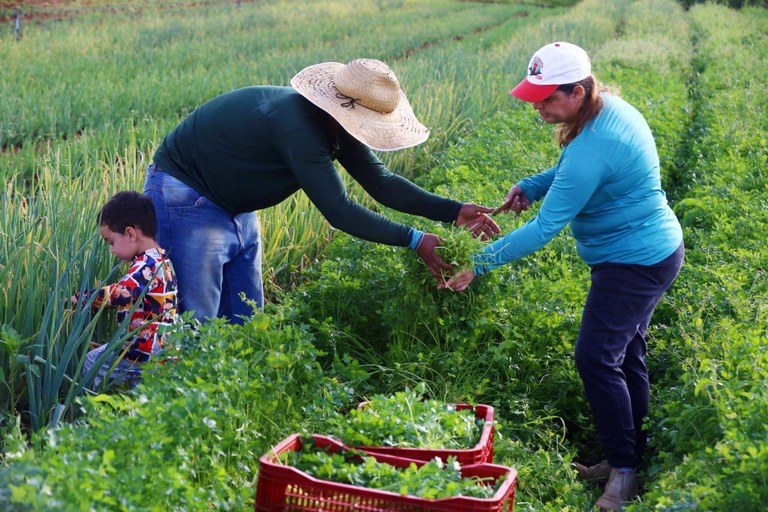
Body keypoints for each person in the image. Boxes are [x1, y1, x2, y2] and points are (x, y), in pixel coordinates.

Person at [441, 42, 684, 510]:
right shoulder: (605, 110)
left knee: (596, 359)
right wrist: (533, 185)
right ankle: (625, 459)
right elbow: (573, 169)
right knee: (625, 353)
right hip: (648, 253)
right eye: (534, 95)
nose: (538, 105)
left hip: (634, 263)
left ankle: (625, 473)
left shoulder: (596, 142)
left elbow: (544, 229)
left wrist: (479, 263)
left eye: (547, 97)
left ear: (577, 91)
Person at [143, 58, 499, 324]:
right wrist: (415, 239)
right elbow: (339, 210)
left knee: (247, 317)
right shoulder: (295, 125)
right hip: (187, 196)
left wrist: (452, 211)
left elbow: (382, 184)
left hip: (233, 203)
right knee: (195, 321)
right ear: (340, 107)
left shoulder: (335, 126)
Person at [74, 191, 178, 390]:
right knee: (144, 395)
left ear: (130, 234)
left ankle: (86, 412)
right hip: (163, 346)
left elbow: (121, 292)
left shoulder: (146, 265)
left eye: (111, 242)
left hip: (143, 348)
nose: (111, 250)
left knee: (92, 362)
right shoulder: (163, 260)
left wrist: (83, 299)